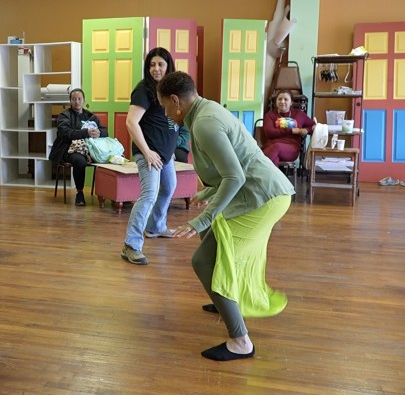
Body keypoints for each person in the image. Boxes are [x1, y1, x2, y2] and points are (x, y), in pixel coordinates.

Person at [158, 72, 294, 361]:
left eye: (165, 107)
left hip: (264, 196)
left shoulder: (205, 123)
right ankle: (222, 299)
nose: (166, 113)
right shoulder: (206, 109)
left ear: (175, 101)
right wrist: (207, 195)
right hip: (259, 190)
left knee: (204, 260)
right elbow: (235, 162)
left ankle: (240, 341)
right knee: (213, 239)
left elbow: (235, 175)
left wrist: (200, 220)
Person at [120, 47, 179, 266]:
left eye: (160, 64)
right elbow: (131, 122)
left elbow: (170, 121)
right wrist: (147, 152)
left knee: (169, 187)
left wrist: (170, 150)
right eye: (152, 65)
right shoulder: (144, 90)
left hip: (165, 155)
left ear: (168, 66)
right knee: (149, 195)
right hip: (149, 154)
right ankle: (131, 245)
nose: (156, 69)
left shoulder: (167, 91)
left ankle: (155, 226)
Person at [47, 88, 108, 206]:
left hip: (88, 149)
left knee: (107, 157)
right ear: (70, 101)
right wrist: (86, 132)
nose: (77, 102)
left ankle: (108, 194)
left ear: (83, 100)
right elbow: (66, 134)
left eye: (79, 99)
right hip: (68, 148)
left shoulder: (90, 116)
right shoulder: (64, 116)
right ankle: (79, 192)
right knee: (80, 161)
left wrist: (99, 133)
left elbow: (105, 131)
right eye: (74, 99)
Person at [262, 90, 315, 166]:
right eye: (279, 99)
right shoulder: (270, 115)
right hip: (271, 146)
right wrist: (291, 131)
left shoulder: (299, 114)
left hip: (291, 148)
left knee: (275, 148)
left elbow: (313, 126)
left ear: (291, 102)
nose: (282, 102)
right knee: (274, 160)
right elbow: (270, 133)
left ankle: (254, 171)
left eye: (286, 99)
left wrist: (306, 130)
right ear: (276, 101)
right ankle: (274, 178)